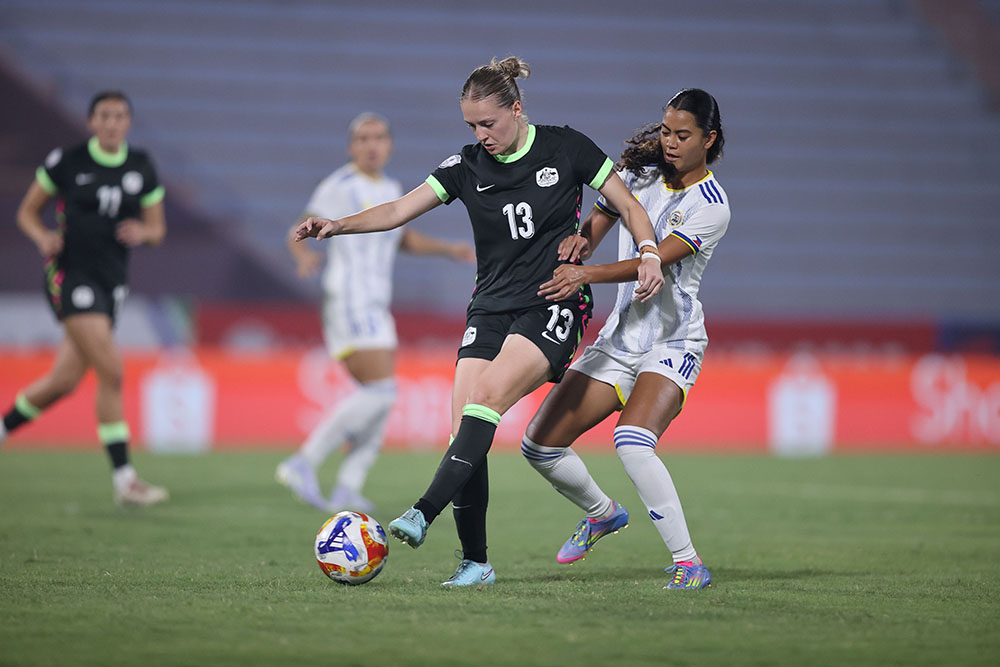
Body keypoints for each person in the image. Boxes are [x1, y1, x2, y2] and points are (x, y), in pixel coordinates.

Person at [295, 57, 665, 586]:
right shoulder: (466, 166)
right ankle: (476, 562)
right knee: (463, 430)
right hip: (490, 306)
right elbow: (398, 210)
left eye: (488, 123)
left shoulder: (565, 147)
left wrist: (648, 251)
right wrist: (337, 225)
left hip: (552, 300)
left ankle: (422, 511)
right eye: (471, 125)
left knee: (484, 398)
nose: (480, 135)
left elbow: (627, 205)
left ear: (516, 108)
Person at [522, 88, 729, 590]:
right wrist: (581, 244)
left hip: (672, 342)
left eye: (683, 135)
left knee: (632, 442)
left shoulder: (712, 206)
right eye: (666, 131)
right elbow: (598, 222)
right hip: (620, 339)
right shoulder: (639, 174)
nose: (670, 142)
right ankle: (602, 513)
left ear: (709, 139)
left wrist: (585, 275)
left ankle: (688, 563)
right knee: (538, 445)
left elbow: (653, 259)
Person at [276, 112, 474, 513]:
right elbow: (296, 231)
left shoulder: (390, 188)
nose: (371, 145)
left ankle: (349, 485)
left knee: (382, 397)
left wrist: (447, 249)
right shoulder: (338, 186)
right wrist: (303, 256)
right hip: (349, 298)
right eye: (363, 138)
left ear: (390, 145)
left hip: (376, 303)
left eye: (379, 137)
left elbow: (401, 237)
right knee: (381, 392)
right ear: (352, 146)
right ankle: (303, 462)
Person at [0, 90, 169, 506]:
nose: (112, 123)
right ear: (92, 122)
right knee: (112, 369)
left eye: (119, 116)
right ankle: (125, 480)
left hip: (112, 283)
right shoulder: (68, 161)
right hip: (70, 276)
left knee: (63, 382)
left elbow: (157, 230)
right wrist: (43, 236)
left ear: (128, 122)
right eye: (104, 116)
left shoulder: (141, 166)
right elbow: (27, 212)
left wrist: (143, 232)